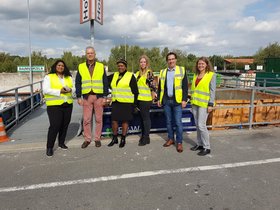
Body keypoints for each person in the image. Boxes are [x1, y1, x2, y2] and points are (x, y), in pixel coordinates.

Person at [75, 46, 109, 149]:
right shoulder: (81, 66)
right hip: (86, 97)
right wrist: (78, 97)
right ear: (86, 55)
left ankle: (97, 139)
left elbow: (105, 81)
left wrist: (105, 96)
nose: (90, 54)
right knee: (86, 119)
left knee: (99, 119)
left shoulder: (100, 66)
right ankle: (87, 139)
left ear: (95, 54)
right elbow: (78, 82)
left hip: (98, 97)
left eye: (91, 53)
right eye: (88, 53)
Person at [157, 52, 188, 153]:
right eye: (169, 59)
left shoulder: (181, 70)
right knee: (168, 122)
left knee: (178, 123)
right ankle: (170, 139)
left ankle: (179, 142)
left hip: (177, 101)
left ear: (176, 60)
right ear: (167, 61)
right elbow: (160, 87)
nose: (171, 61)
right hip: (166, 101)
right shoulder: (163, 72)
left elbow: (185, 87)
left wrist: (184, 99)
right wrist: (159, 99)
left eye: (172, 59)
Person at [43, 60, 74, 157]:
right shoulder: (49, 77)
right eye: (59, 65)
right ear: (55, 66)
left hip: (67, 104)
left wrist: (71, 89)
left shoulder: (68, 77)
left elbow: (74, 89)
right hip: (54, 105)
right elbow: (45, 90)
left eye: (62, 66)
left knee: (65, 125)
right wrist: (59, 91)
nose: (60, 67)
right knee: (55, 126)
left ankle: (61, 143)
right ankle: (49, 147)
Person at [107, 59, 139, 148]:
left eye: (122, 66)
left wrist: (134, 104)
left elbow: (135, 92)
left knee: (125, 121)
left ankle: (123, 138)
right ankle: (114, 138)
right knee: (114, 121)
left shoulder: (130, 76)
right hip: (116, 101)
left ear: (125, 67)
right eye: (119, 66)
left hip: (127, 102)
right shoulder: (114, 75)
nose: (120, 67)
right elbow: (104, 80)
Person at [190, 57, 216, 156]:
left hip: (204, 104)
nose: (200, 65)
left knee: (201, 125)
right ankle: (199, 144)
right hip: (195, 103)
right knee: (197, 125)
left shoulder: (211, 75)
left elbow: (213, 91)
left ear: (206, 64)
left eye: (202, 64)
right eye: (199, 64)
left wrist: (211, 104)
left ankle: (207, 147)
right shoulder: (196, 75)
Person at [135, 55, 157, 146]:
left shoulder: (149, 73)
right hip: (139, 100)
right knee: (141, 119)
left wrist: (152, 98)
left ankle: (145, 137)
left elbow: (153, 87)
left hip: (146, 99)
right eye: (141, 62)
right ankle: (145, 136)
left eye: (144, 62)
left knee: (146, 119)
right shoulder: (137, 74)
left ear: (147, 63)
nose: (142, 63)